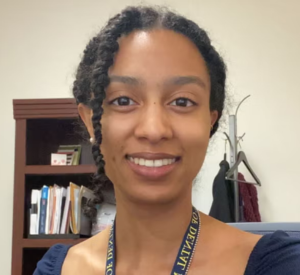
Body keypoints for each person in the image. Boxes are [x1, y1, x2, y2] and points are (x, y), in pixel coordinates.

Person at [34, 5, 300, 275]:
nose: (154, 129)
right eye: (123, 100)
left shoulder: (280, 265)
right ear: (91, 121)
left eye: (182, 101)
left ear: (210, 121)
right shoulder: (57, 268)